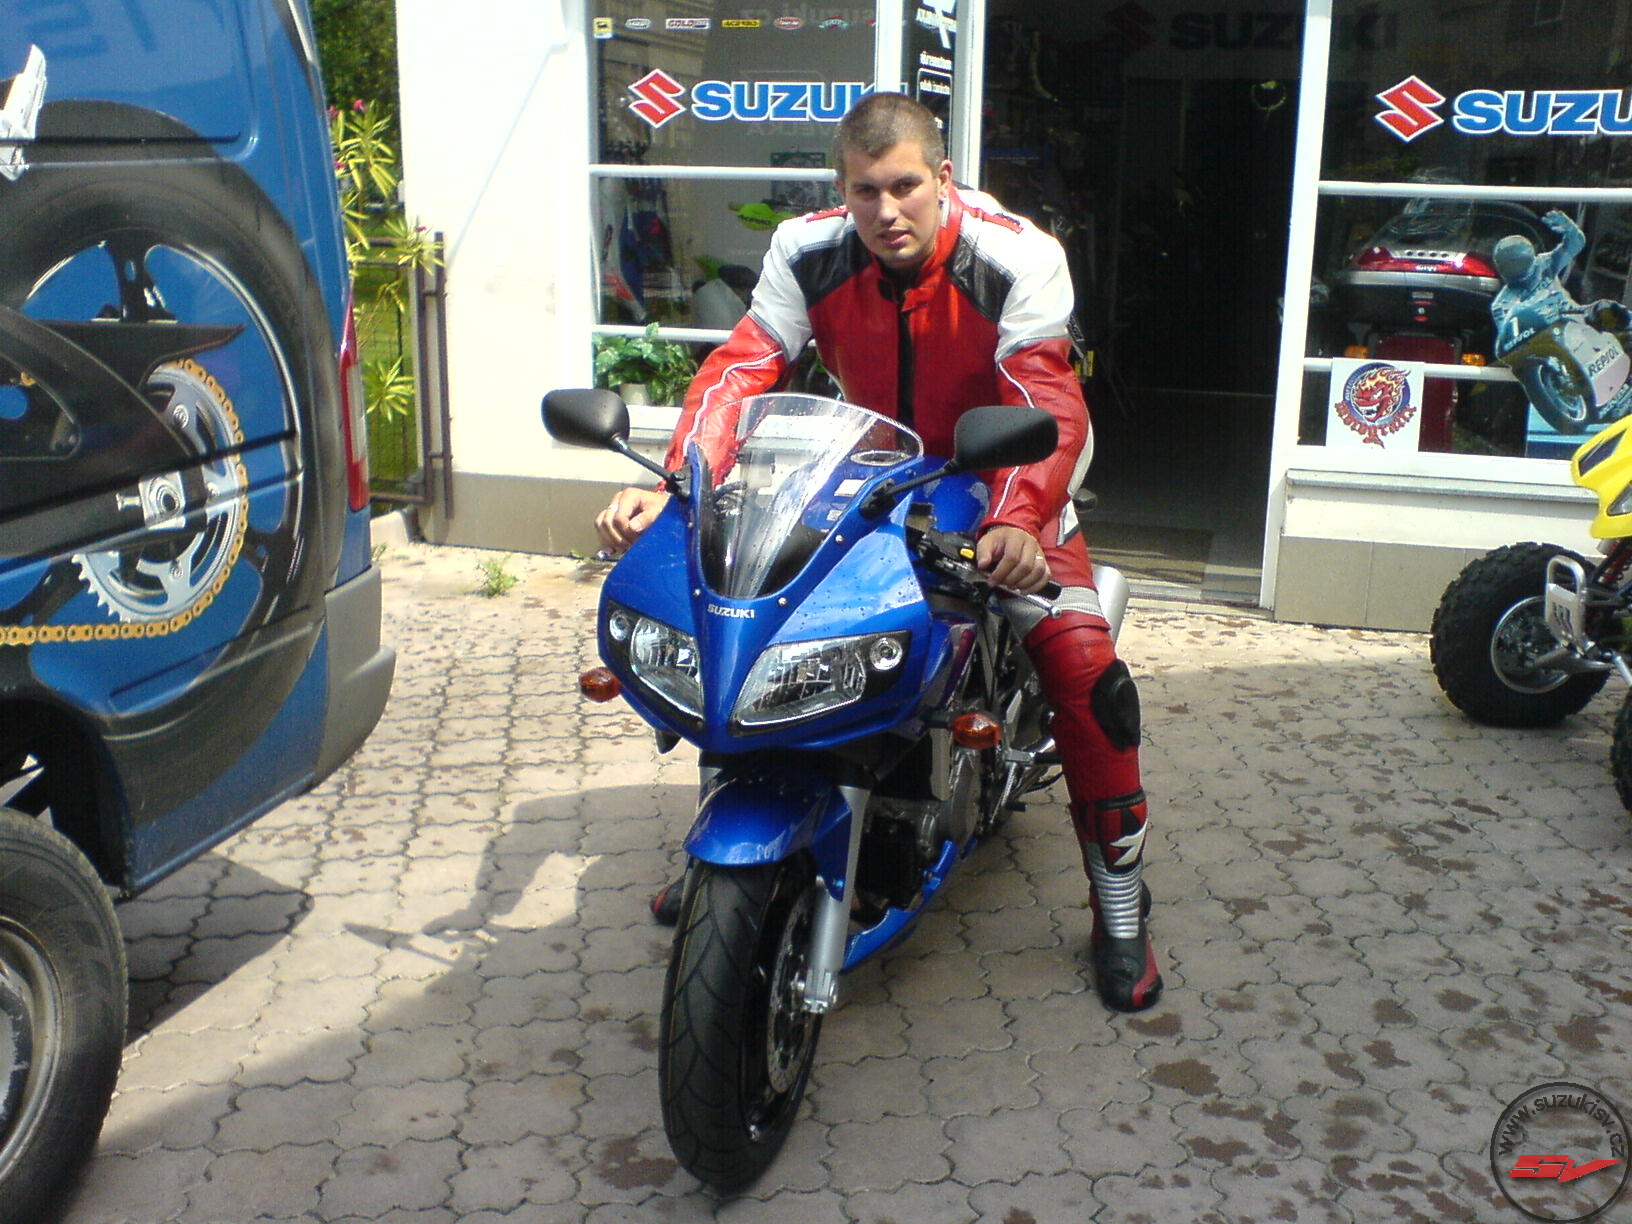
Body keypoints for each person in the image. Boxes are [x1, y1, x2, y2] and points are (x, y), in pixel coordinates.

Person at [594, 92, 1162, 1013]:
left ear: (943, 177)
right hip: (862, 473)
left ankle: (1120, 905)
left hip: (1004, 476)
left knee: (1084, 669)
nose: (887, 210)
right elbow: (744, 366)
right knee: (747, 630)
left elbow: (1046, 397)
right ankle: (738, 842)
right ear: (842, 190)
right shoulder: (806, 249)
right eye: (866, 191)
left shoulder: (1018, 255)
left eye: (905, 186)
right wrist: (676, 484)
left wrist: (1018, 519)